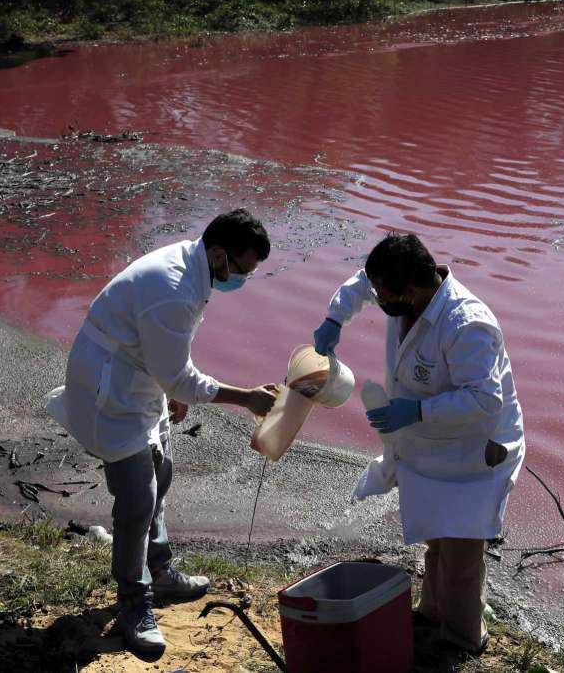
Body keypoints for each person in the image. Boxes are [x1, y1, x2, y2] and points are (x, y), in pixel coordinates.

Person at [45, 209, 279, 655]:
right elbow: (178, 373)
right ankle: (135, 601)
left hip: (140, 376)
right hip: (109, 388)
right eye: (243, 269)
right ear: (218, 254)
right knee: (137, 498)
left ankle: (161, 568)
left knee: (162, 472)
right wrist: (246, 397)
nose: (243, 279)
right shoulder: (173, 287)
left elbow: (171, 362)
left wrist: (173, 383)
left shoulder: (194, 269)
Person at [312, 233, 525, 654]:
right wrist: (336, 317)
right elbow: (361, 285)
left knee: (462, 556)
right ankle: (431, 614)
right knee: (435, 535)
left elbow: (484, 401)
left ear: (409, 292)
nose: (379, 300)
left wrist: (417, 411)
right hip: (430, 447)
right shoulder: (403, 291)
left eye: (385, 295)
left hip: (474, 456)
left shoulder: (467, 324)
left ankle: (462, 641)